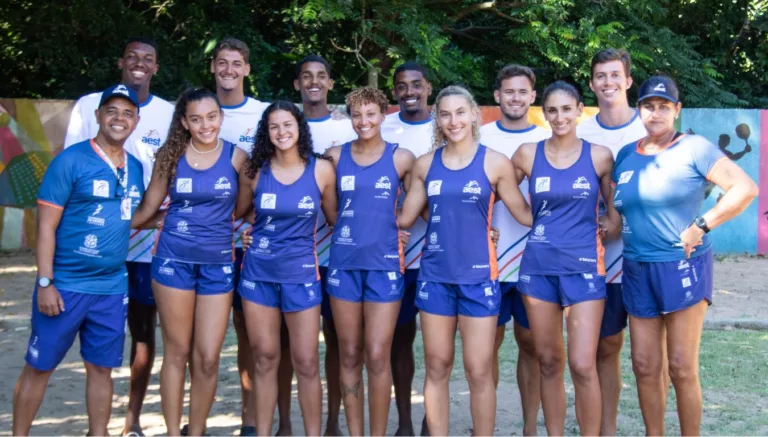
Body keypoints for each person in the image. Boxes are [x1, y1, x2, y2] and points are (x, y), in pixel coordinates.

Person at [614, 75, 757, 436]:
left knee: (680, 367)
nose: (656, 113)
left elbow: (745, 188)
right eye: (649, 106)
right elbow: (616, 215)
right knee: (645, 366)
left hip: (682, 265)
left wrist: (701, 226)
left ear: (677, 111)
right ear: (639, 110)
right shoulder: (627, 155)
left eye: (664, 107)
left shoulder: (694, 147)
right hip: (636, 268)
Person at [398, 85, 533, 436]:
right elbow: (405, 218)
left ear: (474, 114)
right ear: (437, 119)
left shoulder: (494, 162)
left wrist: (581, 212)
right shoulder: (425, 164)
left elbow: (524, 214)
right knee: (437, 366)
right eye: (445, 114)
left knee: (478, 370)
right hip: (436, 278)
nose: (453, 120)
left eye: (460, 112)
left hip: (479, 278)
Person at [13, 85, 145, 436]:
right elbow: (45, 228)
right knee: (39, 368)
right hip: (64, 286)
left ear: (137, 120)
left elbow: (135, 215)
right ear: (98, 116)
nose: (120, 119)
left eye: (128, 113)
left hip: (112, 288)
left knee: (101, 370)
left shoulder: (135, 167)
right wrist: (45, 281)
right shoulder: (70, 161)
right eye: (112, 111)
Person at [63, 37, 174, 437]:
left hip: (144, 248)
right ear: (120, 62)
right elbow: (69, 174)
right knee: (84, 334)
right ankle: (96, 424)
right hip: (92, 247)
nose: (139, 64)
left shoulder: (168, 113)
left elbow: (172, 174)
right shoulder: (89, 107)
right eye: (132, 57)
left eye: (148, 59)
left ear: (156, 68)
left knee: (142, 333)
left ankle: (132, 421)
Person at [131, 88, 249, 436]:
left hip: (217, 263)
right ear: (184, 121)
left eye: (211, 117)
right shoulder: (170, 154)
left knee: (208, 357)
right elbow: (148, 209)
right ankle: (172, 433)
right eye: (196, 119)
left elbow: (242, 208)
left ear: (220, 117)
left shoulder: (236, 156)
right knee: (177, 352)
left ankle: (195, 431)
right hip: (173, 261)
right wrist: (145, 221)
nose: (205, 125)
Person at [511, 81, 620, 436]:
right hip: (539, 269)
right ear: (544, 113)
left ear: (578, 111)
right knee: (548, 361)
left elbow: (615, 214)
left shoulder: (600, 155)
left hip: (585, 269)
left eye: (566, 109)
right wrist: (488, 229)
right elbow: (495, 194)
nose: (559, 117)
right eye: (552, 110)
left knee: (583, 363)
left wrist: (608, 226)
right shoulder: (527, 154)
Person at [234, 101, 338, 437]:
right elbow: (240, 212)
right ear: (266, 132)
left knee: (306, 363)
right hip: (258, 275)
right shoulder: (255, 171)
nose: (282, 132)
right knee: (264, 360)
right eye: (274, 126)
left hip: (301, 275)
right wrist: (251, 233)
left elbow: (338, 220)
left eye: (288, 125)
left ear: (299, 128)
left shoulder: (320, 170)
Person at [324, 87, 416, 436]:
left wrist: (398, 224)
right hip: (344, 266)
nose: (364, 121)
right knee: (348, 353)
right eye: (357, 115)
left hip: (384, 268)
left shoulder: (401, 157)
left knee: (378, 355)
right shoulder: (334, 156)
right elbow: (331, 213)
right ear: (350, 118)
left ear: (382, 115)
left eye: (371, 114)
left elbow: (423, 198)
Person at [576, 48, 650, 436]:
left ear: (628, 80)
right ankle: (606, 429)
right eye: (600, 76)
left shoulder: (649, 128)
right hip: (597, 260)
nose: (607, 83)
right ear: (591, 84)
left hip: (643, 258)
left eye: (614, 75)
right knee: (604, 348)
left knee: (647, 358)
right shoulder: (581, 131)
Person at [479, 64, 550, 436]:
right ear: (497, 96)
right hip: (485, 260)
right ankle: (484, 425)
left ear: (533, 97)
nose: (516, 98)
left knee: (532, 344)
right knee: (486, 343)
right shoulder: (479, 138)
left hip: (532, 260)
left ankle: (528, 428)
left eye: (523, 92)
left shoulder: (546, 139)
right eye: (509, 91)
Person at [291, 54, 357, 437]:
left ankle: (332, 422)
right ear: (297, 84)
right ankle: (284, 423)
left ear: (331, 84)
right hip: (290, 254)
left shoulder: (348, 130)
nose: (314, 82)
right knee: (287, 345)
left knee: (337, 342)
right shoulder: (283, 127)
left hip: (335, 253)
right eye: (306, 77)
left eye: (321, 76)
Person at [210, 36, 269, 437]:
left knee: (250, 334)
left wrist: (249, 219)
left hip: (251, 241)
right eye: (222, 63)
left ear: (248, 69)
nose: (229, 70)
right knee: (206, 337)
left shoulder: (265, 115)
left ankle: (251, 419)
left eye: (237, 63)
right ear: (213, 67)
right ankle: (197, 417)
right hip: (205, 241)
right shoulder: (199, 110)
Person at [379, 61, 433, 436]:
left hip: (437, 253)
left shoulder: (446, 124)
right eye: (401, 86)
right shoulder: (383, 127)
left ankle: (434, 421)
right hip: (393, 254)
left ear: (428, 87)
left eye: (416, 84)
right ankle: (404, 422)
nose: (409, 91)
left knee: (437, 344)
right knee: (399, 339)